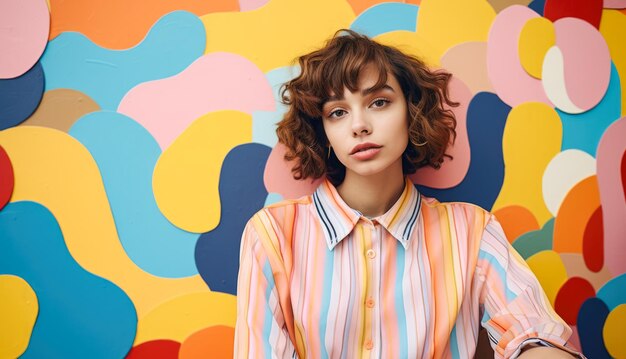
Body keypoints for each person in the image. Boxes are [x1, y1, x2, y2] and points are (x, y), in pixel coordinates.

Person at [234, 29, 584, 358]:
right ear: (323, 131)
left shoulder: (472, 231)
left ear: (410, 112)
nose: (359, 125)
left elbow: (533, 331)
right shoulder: (272, 235)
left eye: (379, 103)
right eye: (338, 112)